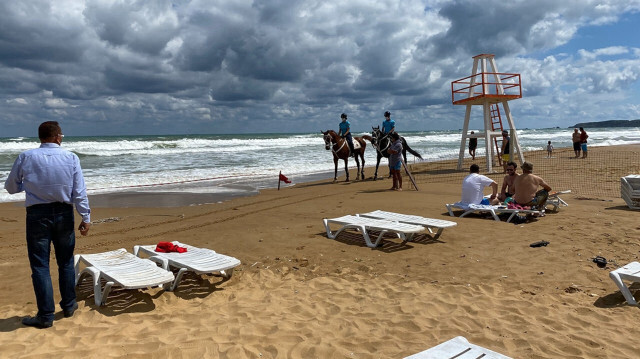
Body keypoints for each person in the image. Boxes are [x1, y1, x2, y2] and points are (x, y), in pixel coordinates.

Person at [4, 121, 91, 329]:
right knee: (66, 262)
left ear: (40, 137)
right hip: (63, 212)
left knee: (40, 265)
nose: (62, 138)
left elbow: (10, 188)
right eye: (61, 135)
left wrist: (30, 184)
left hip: (37, 214)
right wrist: (85, 216)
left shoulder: (26, 157)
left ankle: (45, 315)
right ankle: (69, 305)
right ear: (56, 136)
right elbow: (79, 192)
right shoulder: (71, 157)